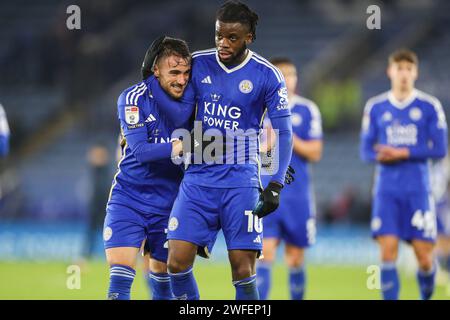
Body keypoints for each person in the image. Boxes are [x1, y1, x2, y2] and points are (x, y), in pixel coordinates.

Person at [162, 1, 293, 300]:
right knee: (176, 262)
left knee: (242, 269)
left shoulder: (268, 75)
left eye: (232, 38)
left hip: (240, 181)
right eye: (219, 35)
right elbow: (172, 106)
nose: (223, 42)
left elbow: (284, 133)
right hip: (197, 179)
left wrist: (275, 184)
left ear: (249, 38)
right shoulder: (197, 63)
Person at [104, 37, 193, 300]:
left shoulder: (194, 102)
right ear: (156, 71)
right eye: (174, 72)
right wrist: (182, 145)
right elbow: (141, 152)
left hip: (171, 202)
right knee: (119, 281)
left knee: (163, 283)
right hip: (128, 198)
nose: (181, 79)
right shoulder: (132, 98)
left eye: (186, 73)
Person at [360, 49, 448, 300]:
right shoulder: (375, 107)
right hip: (386, 190)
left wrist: (402, 153)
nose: (404, 74)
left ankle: (427, 293)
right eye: (400, 68)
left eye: (409, 69)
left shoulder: (429, 106)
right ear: (390, 71)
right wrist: (382, 155)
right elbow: (366, 151)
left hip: (418, 189)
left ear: (415, 73)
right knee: (387, 253)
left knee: (423, 257)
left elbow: (440, 148)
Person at [256, 58, 323, 300]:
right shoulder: (258, 109)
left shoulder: (307, 109)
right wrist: (267, 145)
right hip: (266, 192)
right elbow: (252, 151)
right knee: (265, 254)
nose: (287, 79)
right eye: (281, 74)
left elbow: (316, 152)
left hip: (297, 195)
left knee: (295, 257)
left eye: (291, 74)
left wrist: (287, 137)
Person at [430, 156, 450, 290]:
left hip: (438, 205)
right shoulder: (442, 170)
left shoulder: (437, 169)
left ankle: (438, 270)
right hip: (440, 205)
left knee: (442, 241)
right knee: (442, 241)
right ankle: (436, 270)